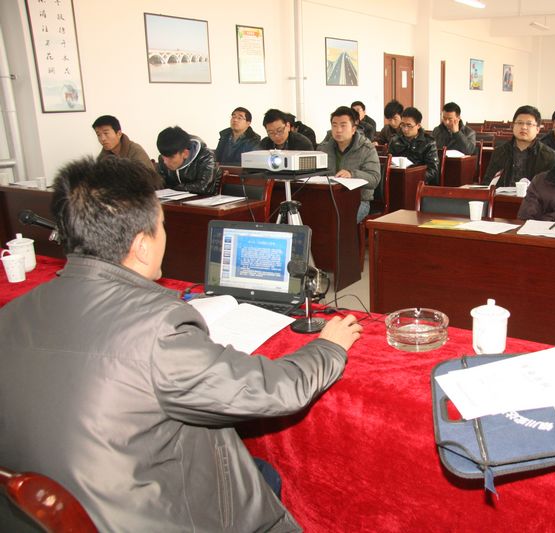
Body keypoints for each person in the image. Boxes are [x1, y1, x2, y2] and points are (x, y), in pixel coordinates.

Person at [0, 156, 363, 531]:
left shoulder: (11, 314)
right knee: (260, 476)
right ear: (142, 246)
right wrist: (328, 347)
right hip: (145, 516)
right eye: (162, 225)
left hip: (53, 508)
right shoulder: (156, 328)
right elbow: (275, 391)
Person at [317, 106, 381, 223]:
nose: (338, 130)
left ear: (353, 129)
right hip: (329, 199)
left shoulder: (366, 148)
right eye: (334, 125)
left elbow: (374, 179)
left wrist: (352, 174)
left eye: (343, 125)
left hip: (358, 201)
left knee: (340, 222)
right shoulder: (323, 149)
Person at [482, 105, 555, 186]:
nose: (524, 127)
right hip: (502, 194)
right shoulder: (499, 152)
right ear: (513, 126)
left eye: (529, 124)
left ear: (537, 129)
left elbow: (551, 188)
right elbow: (487, 183)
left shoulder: (548, 156)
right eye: (520, 123)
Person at [156, 126, 219, 195]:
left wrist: (173, 188)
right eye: (163, 156)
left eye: (171, 157)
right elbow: (160, 183)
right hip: (174, 199)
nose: (165, 161)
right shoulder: (162, 159)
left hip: (204, 200)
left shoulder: (206, 156)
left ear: (185, 153)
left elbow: (203, 187)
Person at [388, 106, 439, 185]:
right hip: (397, 180)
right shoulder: (395, 140)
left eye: (409, 126)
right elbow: (388, 163)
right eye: (402, 125)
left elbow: (433, 170)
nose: (405, 129)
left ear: (418, 125)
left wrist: (413, 177)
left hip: (419, 183)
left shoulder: (428, 143)